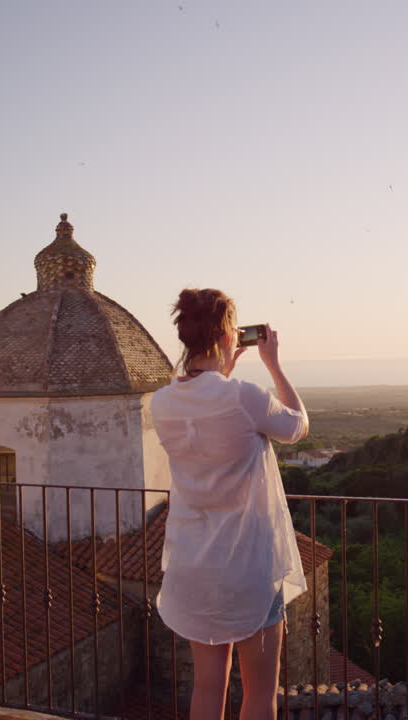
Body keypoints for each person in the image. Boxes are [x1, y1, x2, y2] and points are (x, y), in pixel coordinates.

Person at [150, 288, 309, 720]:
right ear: (227, 336)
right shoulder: (243, 395)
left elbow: (206, 400)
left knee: (208, 685)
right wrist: (273, 365)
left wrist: (223, 366)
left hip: (193, 564)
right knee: (259, 693)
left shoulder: (162, 402)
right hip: (248, 566)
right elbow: (297, 427)